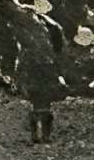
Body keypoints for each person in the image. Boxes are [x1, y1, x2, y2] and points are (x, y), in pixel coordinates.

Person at [16, 11, 64, 144]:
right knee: (38, 106)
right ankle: (38, 135)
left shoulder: (46, 33)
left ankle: (42, 135)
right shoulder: (31, 43)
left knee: (43, 107)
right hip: (37, 73)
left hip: (43, 73)